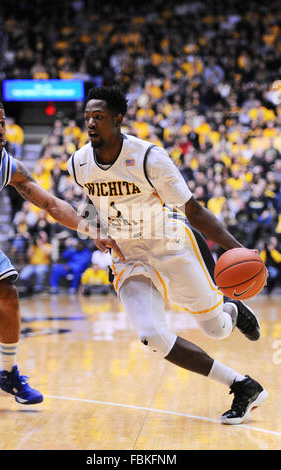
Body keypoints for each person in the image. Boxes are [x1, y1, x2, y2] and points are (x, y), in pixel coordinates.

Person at [67, 85, 268, 425]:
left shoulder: (149, 157)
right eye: (87, 118)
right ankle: (242, 385)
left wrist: (236, 249)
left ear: (118, 119)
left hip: (169, 242)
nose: (90, 124)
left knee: (217, 330)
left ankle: (230, 310)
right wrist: (94, 230)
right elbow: (91, 202)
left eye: (98, 118)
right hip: (128, 254)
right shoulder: (79, 162)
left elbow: (195, 211)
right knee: (151, 336)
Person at [0, 97, 124, 405]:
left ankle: (7, 374)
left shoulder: (6, 166)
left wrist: (93, 230)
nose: (1, 130)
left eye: (3, 123)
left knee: (6, 293)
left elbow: (52, 204)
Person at [19, 230, 52, 295]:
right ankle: (29, 287)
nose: (40, 238)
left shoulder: (48, 245)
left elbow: (48, 253)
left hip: (43, 265)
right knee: (22, 276)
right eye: (40, 237)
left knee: (39, 271)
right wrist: (31, 243)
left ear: (46, 238)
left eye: (42, 237)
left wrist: (40, 244)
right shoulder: (34, 246)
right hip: (32, 265)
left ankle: (38, 289)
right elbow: (28, 256)